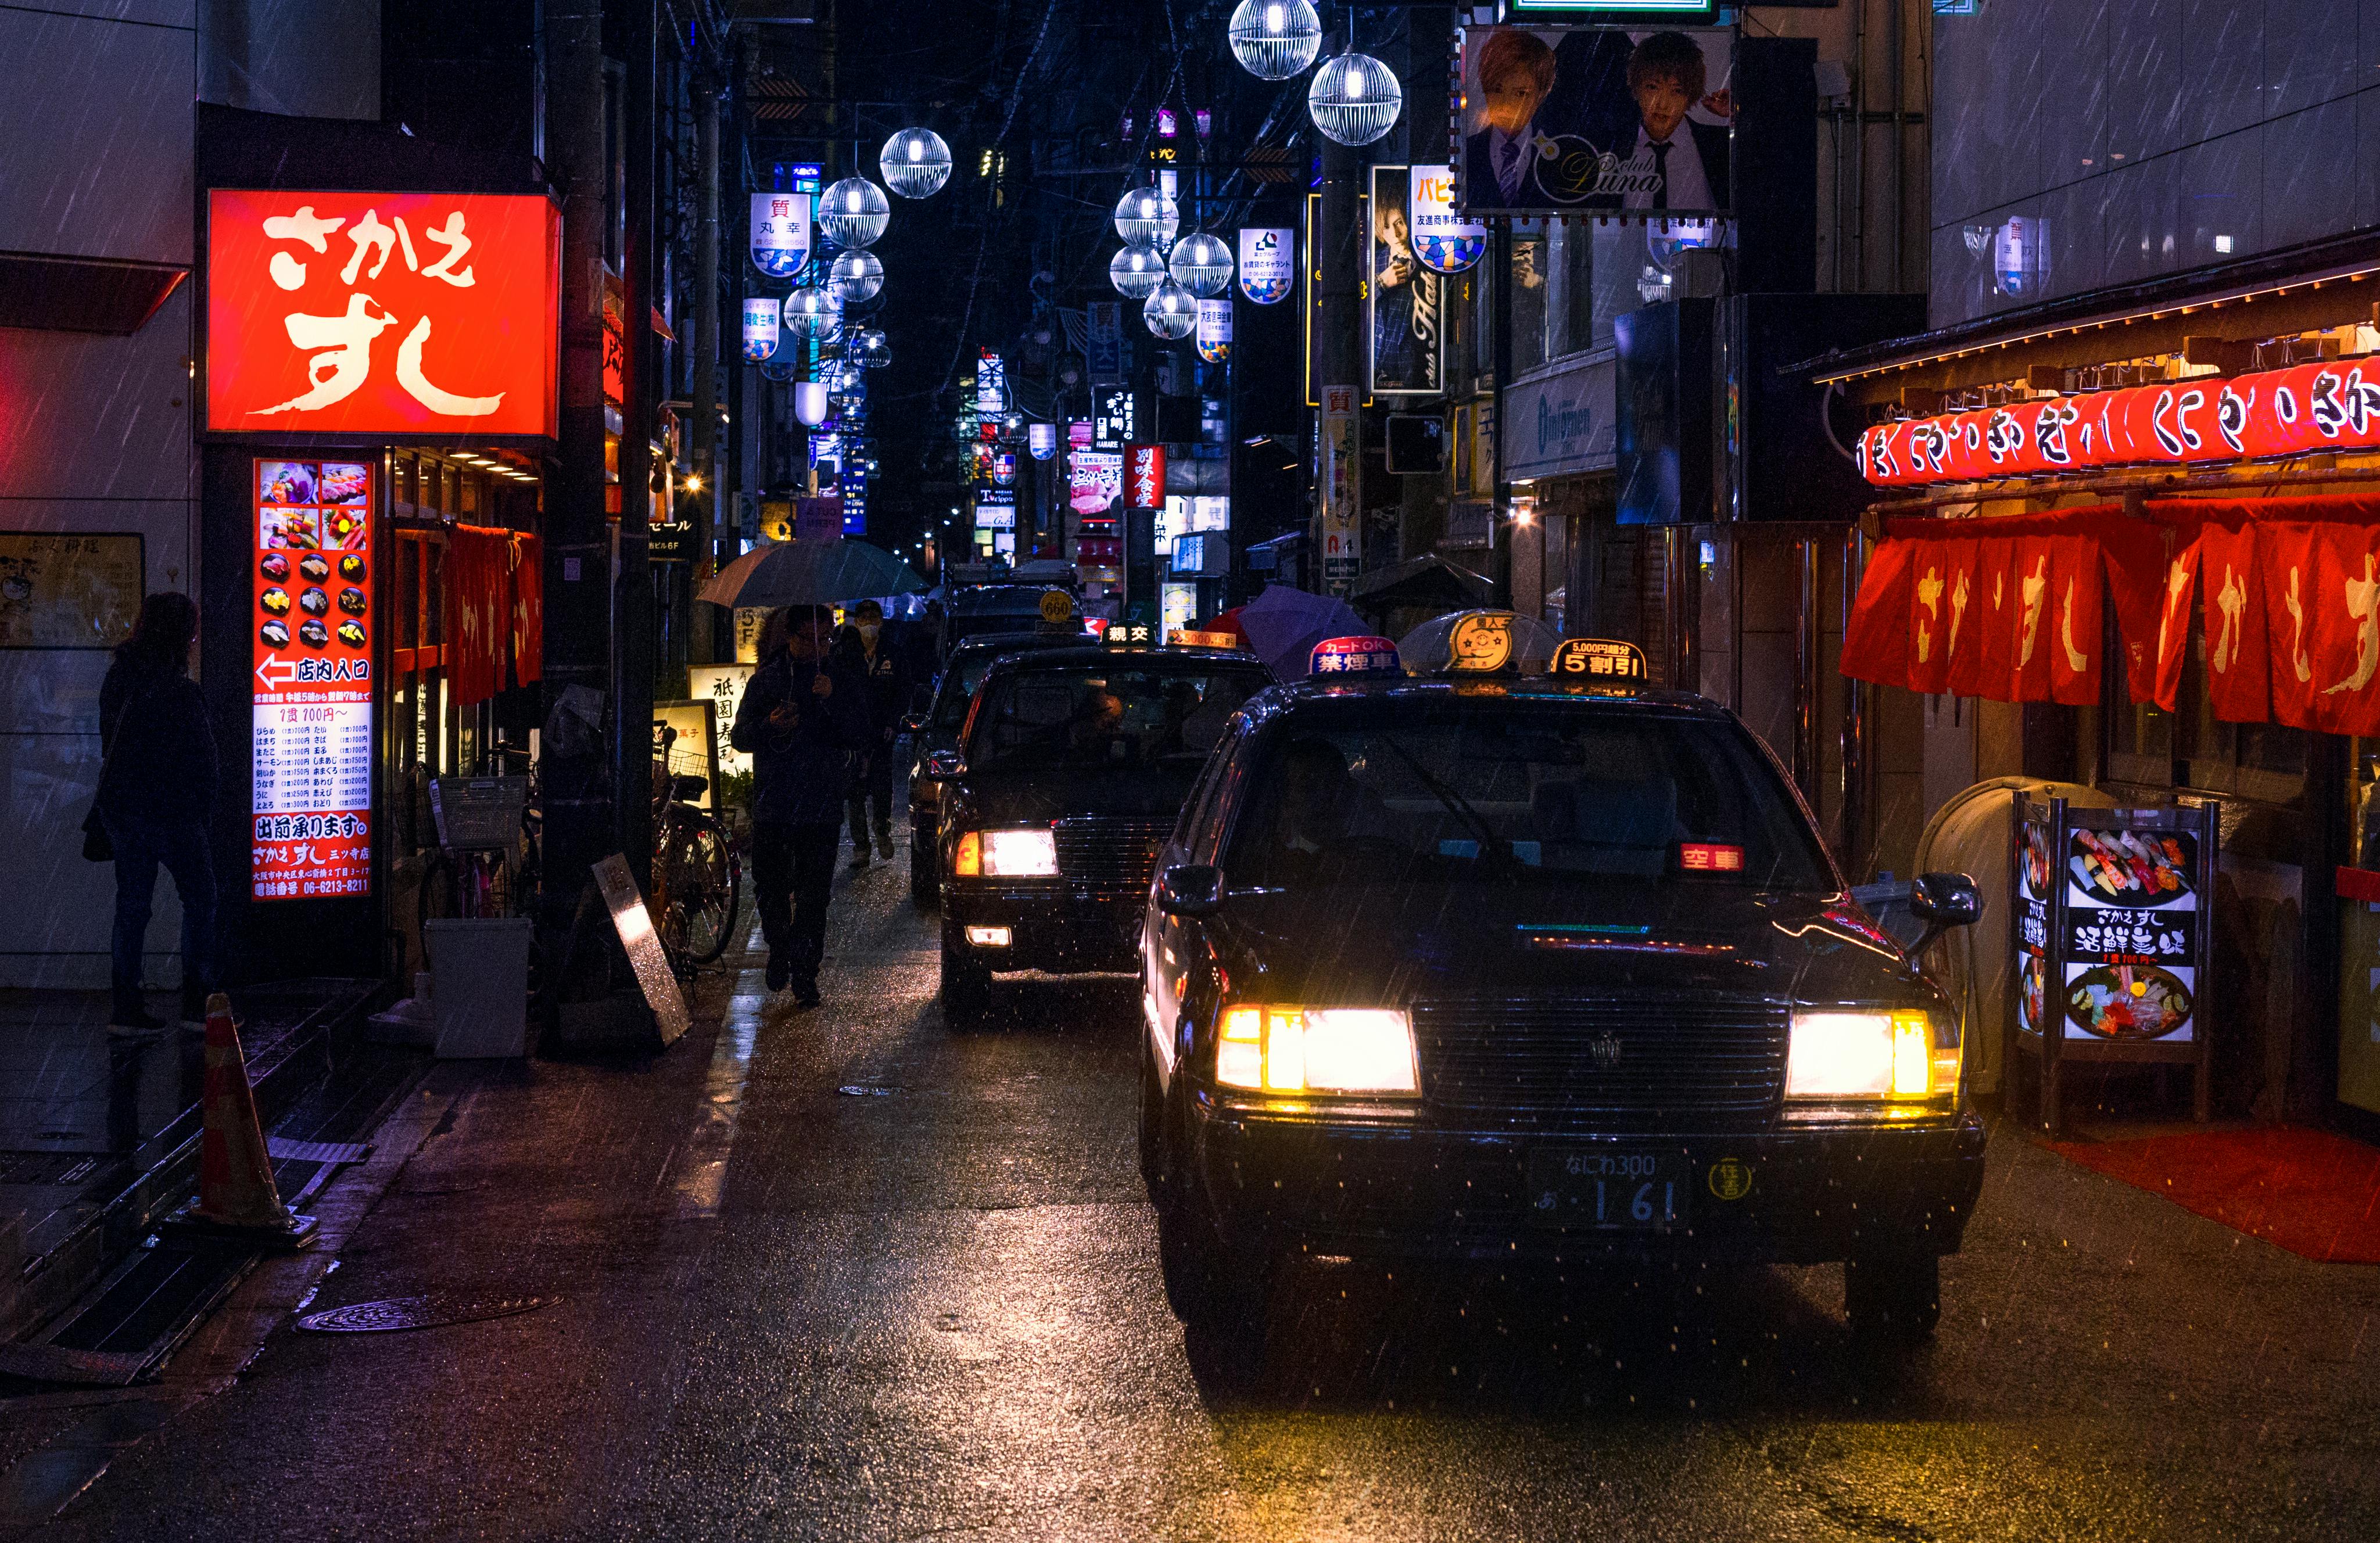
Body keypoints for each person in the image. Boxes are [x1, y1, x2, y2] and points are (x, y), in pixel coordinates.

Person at [96, 593, 219, 1034]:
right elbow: (205, 762)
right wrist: (202, 812)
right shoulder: (180, 691)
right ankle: (197, 1003)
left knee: (132, 907)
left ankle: (126, 1010)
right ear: (181, 635)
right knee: (201, 901)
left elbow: (110, 742)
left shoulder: (119, 679)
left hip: (124, 811)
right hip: (174, 814)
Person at [732, 604, 867, 1004]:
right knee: (770, 888)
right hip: (774, 801)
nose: (819, 646)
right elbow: (740, 737)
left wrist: (833, 701)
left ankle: (806, 972)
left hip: (821, 802)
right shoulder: (767, 680)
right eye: (810, 638)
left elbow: (858, 732)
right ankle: (779, 950)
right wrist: (769, 725)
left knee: (814, 894)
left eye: (826, 638)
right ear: (789, 637)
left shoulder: (836, 678)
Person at [1620, 31, 1732, 214]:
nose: (1663, 104)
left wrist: (1736, 113)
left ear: (1690, 94)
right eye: (1652, 87)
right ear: (1637, 88)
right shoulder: (1613, 146)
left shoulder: (1718, 145)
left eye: (1676, 91)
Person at [841, 600, 909, 866]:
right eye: (864, 616)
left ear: (881, 620)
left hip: (883, 733)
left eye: (874, 616)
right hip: (854, 734)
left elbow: (904, 690)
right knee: (855, 791)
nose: (869, 621)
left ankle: (882, 829)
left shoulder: (893, 652)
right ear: (856, 621)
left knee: (882, 786)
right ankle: (861, 846)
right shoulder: (845, 653)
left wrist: (894, 722)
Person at [1463, 29, 1559, 211]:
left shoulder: (1559, 155)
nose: (1506, 104)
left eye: (1521, 93)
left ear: (1540, 96)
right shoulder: (1468, 153)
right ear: (1485, 88)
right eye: (1497, 90)